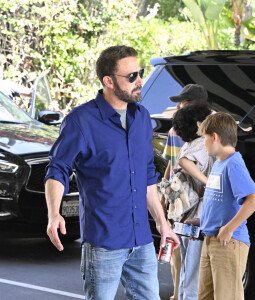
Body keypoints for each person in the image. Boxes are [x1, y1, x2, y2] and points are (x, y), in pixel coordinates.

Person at [44, 45, 179, 300]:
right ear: (108, 81)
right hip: (104, 242)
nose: (140, 81)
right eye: (132, 77)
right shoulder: (80, 120)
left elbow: (148, 176)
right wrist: (54, 214)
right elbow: (58, 168)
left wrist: (163, 225)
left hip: (141, 240)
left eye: (140, 73)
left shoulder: (141, 117)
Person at [197, 112, 255, 300]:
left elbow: (254, 199)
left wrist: (229, 228)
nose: (204, 143)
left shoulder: (233, 164)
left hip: (227, 243)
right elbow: (219, 200)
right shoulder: (219, 163)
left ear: (215, 137)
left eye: (205, 138)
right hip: (211, 240)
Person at [162, 84, 209, 300]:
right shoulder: (181, 133)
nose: (179, 106)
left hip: (187, 211)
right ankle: (179, 295)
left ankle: (182, 295)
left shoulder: (205, 134)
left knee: (189, 263)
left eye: (184, 102)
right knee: (184, 261)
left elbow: (176, 164)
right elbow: (174, 164)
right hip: (189, 210)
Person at [172, 104, 215, 300]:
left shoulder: (187, 144)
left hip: (182, 215)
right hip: (195, 216)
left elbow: (174, 167)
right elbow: (183, 163)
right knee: (194, 271)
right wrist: (208, 182)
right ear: (199, 124)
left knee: (187, 269)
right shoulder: (200, 146)